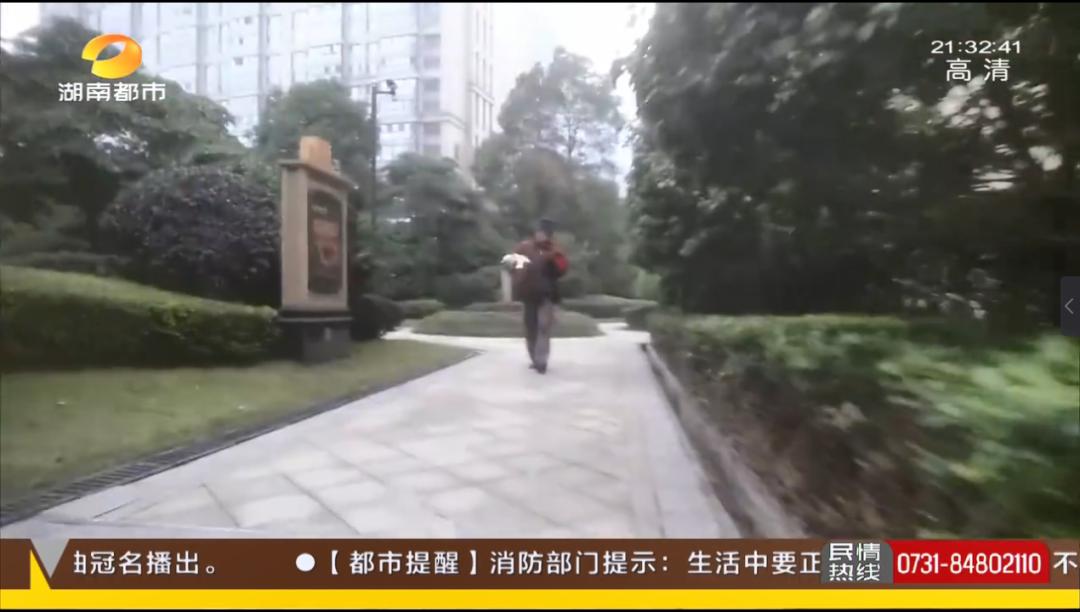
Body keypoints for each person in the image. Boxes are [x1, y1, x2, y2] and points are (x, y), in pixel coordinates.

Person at [511, 218, 569, 374]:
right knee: (530, 329)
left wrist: (555, 258)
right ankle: (534, 358)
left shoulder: (554, 250)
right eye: (538, 232)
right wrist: (517, 276)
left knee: (544, 328)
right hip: (528, 295)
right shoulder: (524, 248)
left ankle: (541, 361)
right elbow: (513, 264)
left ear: (549, 235)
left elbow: (562, 270)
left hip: (546, 295)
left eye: (543, 233)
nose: (540, 235)